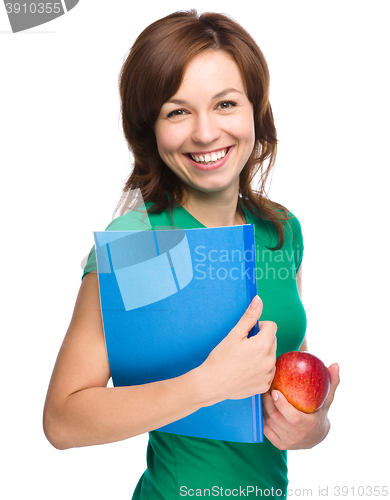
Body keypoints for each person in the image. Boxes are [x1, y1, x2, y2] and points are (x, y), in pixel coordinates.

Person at [43, 10, 340, 498]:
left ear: (255, 112)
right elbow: (63, 420)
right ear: (151, 129)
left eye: (225, 104)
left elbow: (280, 381)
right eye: (177, 111)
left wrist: (312, 428)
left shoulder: (280, 232)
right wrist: (207, 384)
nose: (205, 133)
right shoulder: (141, 244)